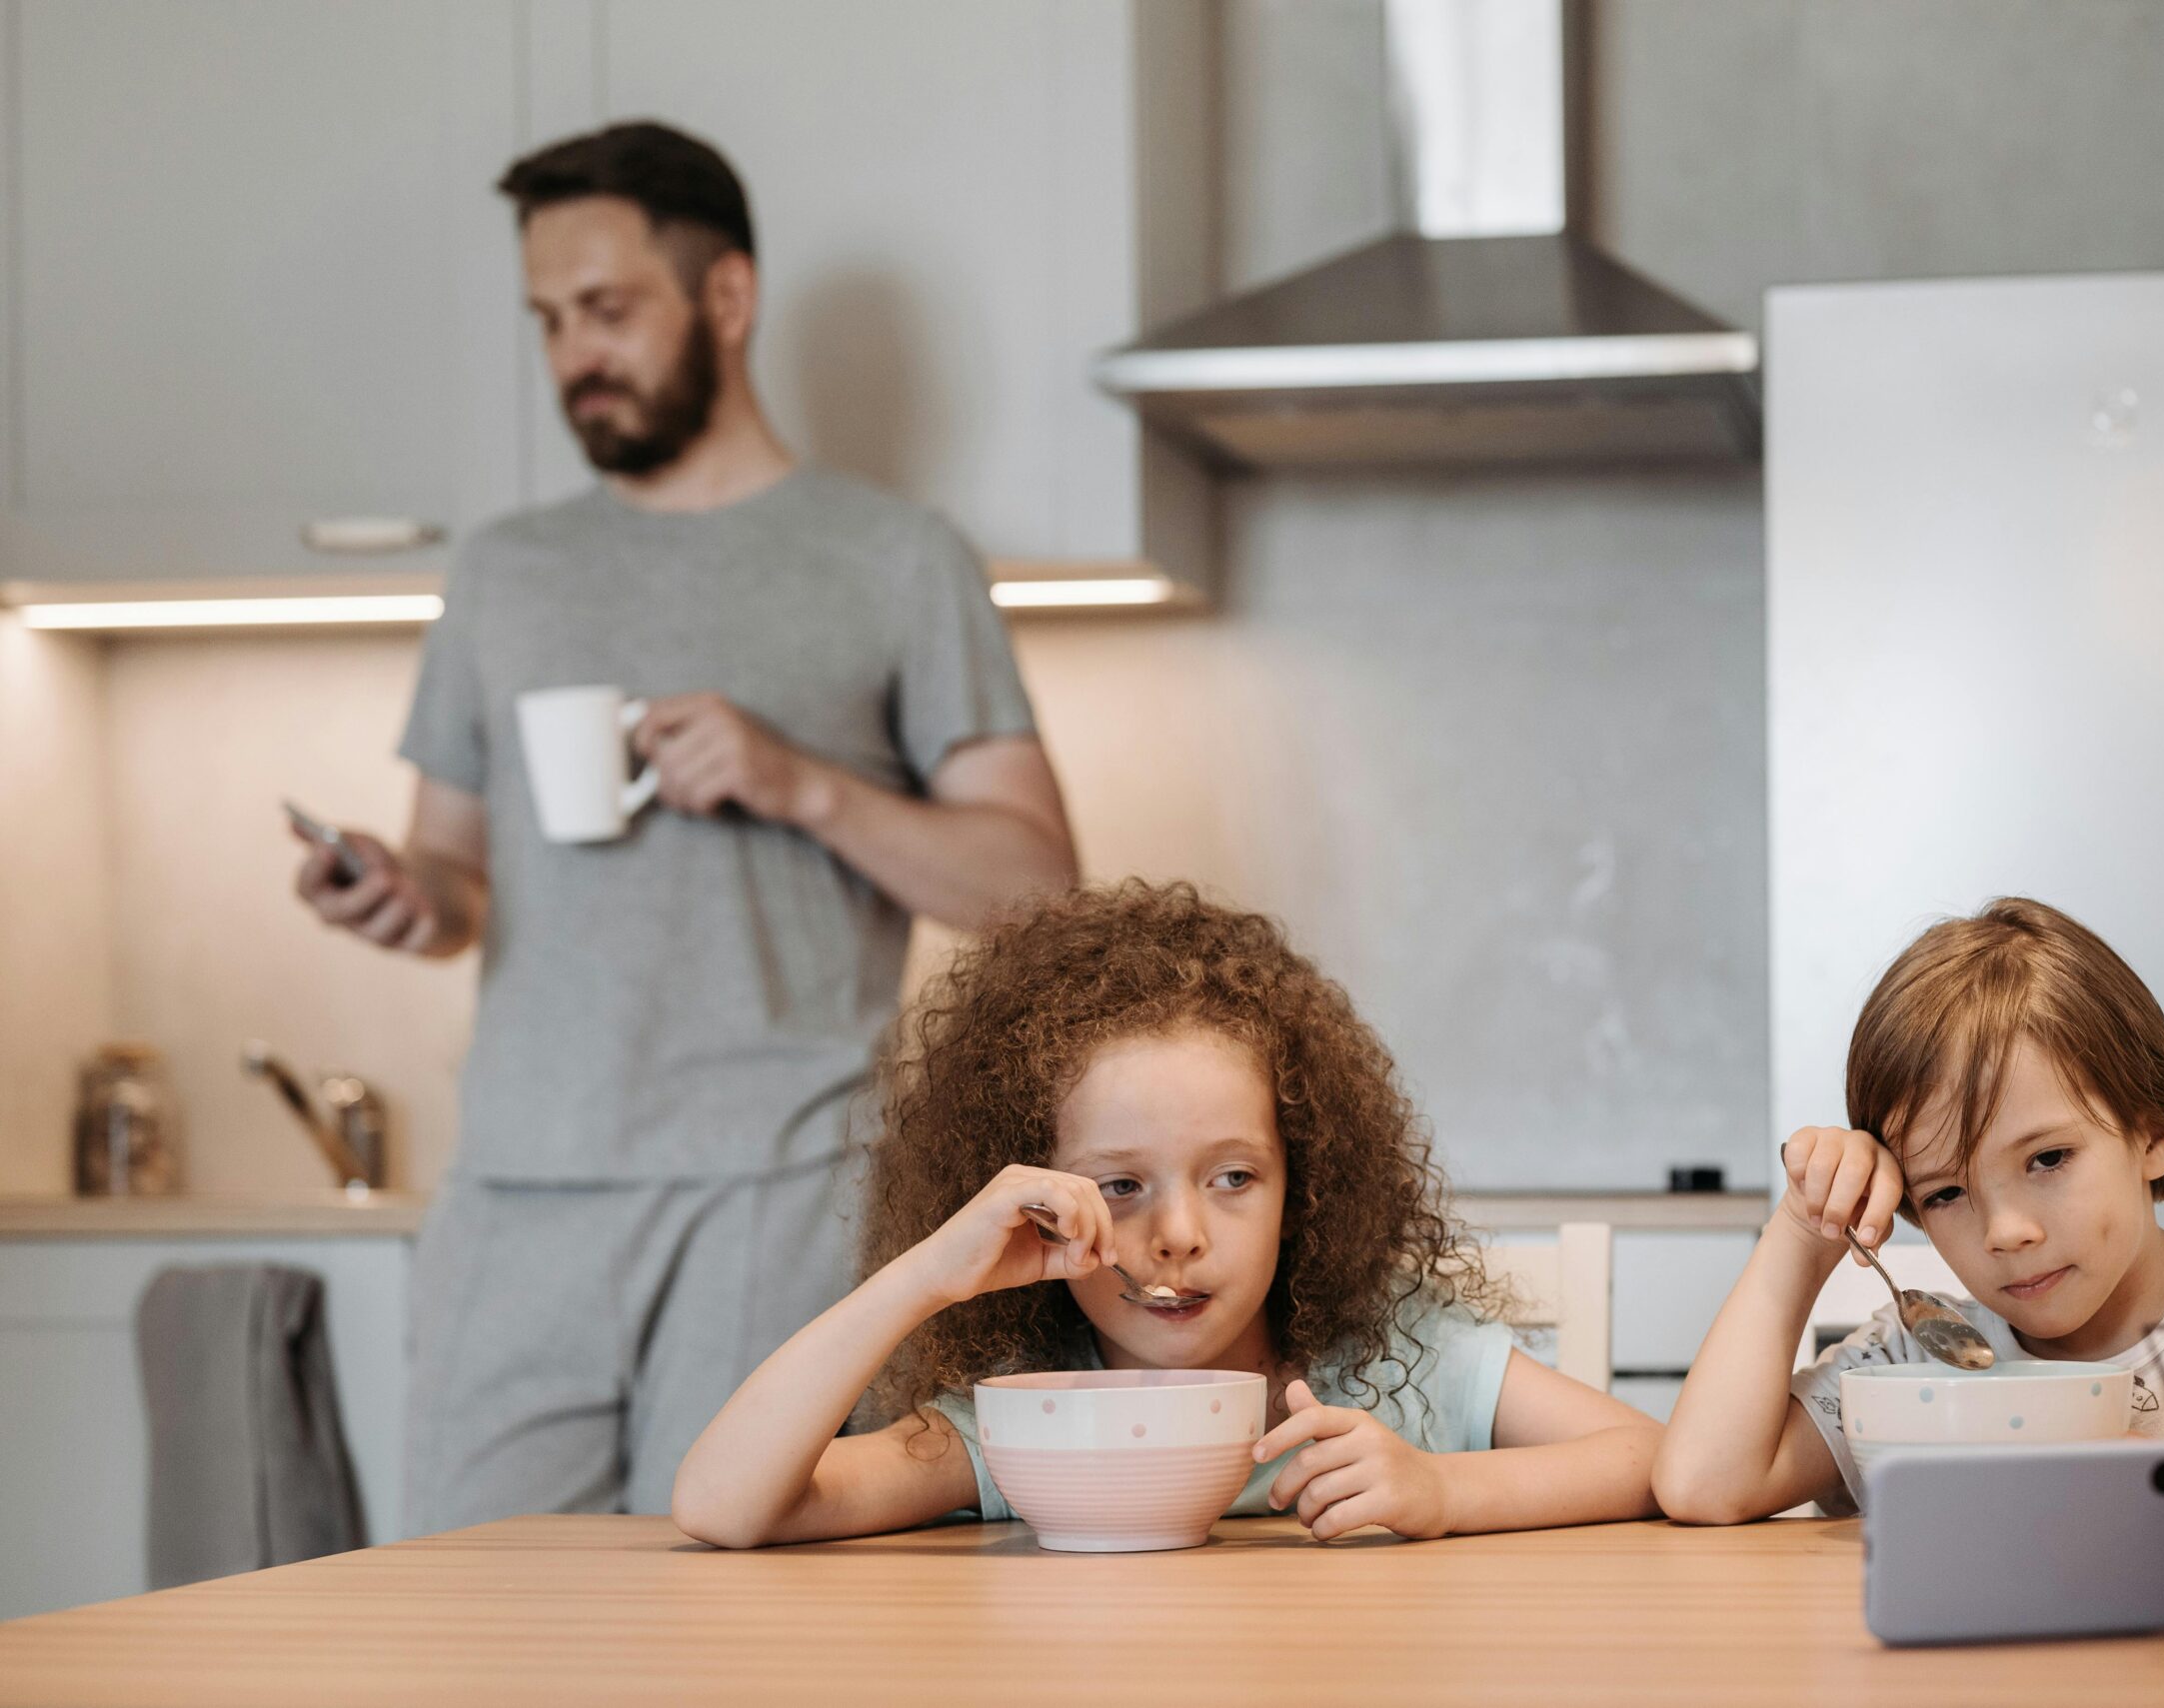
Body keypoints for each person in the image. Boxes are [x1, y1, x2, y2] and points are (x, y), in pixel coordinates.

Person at [290, 121, 1077, 1531]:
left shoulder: (897, 558)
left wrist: (801, 782)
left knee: (738, 1613)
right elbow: (456, 870)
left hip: (783, 1191)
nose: (573, 355)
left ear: (726, 296)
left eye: (607, 310)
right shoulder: (503, 573)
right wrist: (404, 895)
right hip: (519, 1190)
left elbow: (1038, 889)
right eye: (547, 321)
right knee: (472, 1622)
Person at [669, 881, 1663, 1547]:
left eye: (1232, 1177)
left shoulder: (1394, 1357)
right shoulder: (1028, 1417)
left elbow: (1656, 1460)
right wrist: (929, 1272)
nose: (1179, 1233)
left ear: (1303, 1187)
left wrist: (1446, 1491)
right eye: (1120, 1184)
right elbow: (725, 1503)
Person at [1651, 896, 2164, 1524]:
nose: (2006, 1231)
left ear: (2153, 1133)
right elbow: (1704, 1482)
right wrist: (1804, 1227)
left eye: (2047, 1159)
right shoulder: (1920, 1362)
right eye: (1945, 1193)